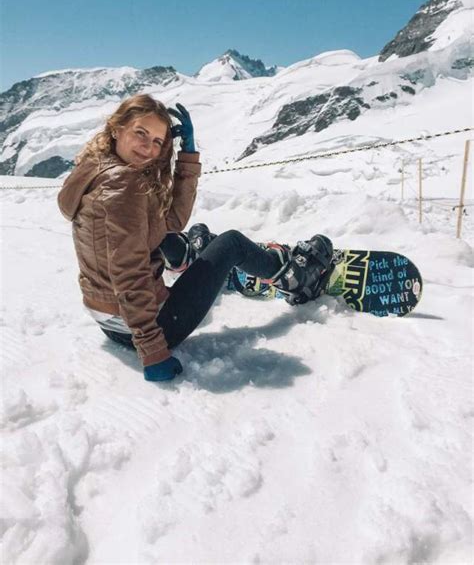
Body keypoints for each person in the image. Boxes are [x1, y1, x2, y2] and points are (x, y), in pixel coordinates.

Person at [58, 94, 333, 382]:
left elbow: (170, 222)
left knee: (158, 231)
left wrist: (187, 155)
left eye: (157, 141)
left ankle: (185, 256)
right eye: (141, 133)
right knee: (231, 243)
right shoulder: (124, 190)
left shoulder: (96, 168)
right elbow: (128, 274)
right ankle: (297, 278)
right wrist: (153, 352)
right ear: (117, 128)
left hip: (107, 320)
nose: (149, 147)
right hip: (147, 327)